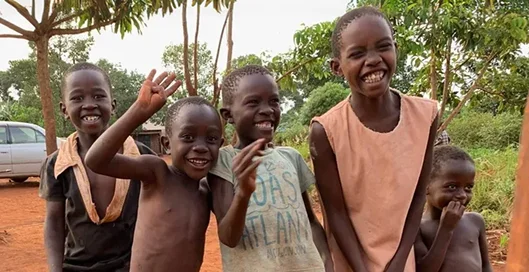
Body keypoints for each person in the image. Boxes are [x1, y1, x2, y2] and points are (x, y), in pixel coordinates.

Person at [309, 6, 438, 272]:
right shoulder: (326, 131)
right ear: (337, 67)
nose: (373, 60)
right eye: (357, 54)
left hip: (402, 262)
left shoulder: (426, 116)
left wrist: (400, 260)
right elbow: (336, 214)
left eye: (383, 47)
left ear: (395, 49)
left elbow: (417, 198)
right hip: (351, 262)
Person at [85, 70, 223, 272]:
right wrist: (138, 111)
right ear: (167, 143)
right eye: (188, 137)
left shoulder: (208, 190)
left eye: (211, 139)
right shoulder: (158, 174)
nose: (201, 147)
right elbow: (96, 160)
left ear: (220, 144)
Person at [207, 65, 332, 272]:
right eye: (253, 102)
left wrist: (327, 262)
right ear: (228, 115)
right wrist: (243, 194)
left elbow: (310, 220)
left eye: (274, 101)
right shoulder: (224, 161)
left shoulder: (291, 156)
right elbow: (229, 237)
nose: (267, 110)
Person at [39, 62, 156, 272]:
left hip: (132, 266)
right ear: (64, 109)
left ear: (113, 105)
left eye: (99, 96)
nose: (89, 104)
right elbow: (54, 222)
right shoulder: (57, 165)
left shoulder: (142, 156)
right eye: (77, 98)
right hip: (76, 267)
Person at [414, 145, 492, 272]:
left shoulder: (475, 221)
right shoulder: (418, 228)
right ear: (426, 186)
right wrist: (446, 229)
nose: (462, 195)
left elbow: (486, 266)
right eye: (451, 187)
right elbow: (424, 269)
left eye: (468, 187)